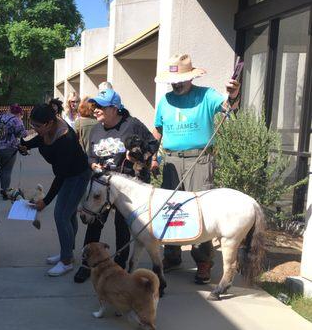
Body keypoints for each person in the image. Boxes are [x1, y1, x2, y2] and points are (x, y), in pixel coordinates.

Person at [152, 53, 241, 284]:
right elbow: (158, 130)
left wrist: (233, 93)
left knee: (201, 210)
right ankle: (172, 255)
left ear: (191, 77)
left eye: (180, 79)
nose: (176, 84)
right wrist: (153, 155)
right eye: (173, 81)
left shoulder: (206, 95)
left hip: (199, 160)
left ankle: (203, 261)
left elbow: (228, 106)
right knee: (170, 209)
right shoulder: (165, 100)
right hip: (171, 160)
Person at [73, 89, 159, 283]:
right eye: (95, 106)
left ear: (114, 108)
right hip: (101, 187)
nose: (96, 110)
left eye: (101, 106)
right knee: (94, 225)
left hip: (124, 190)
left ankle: (119, 268)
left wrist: (138, 155)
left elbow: (153, 144)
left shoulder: (132, 125)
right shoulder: (96, 129)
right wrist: (92, 164)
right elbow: (90, 155)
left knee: (122, 227)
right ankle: (88, 265)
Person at [19, 104, 91, 277]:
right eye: (32, 124)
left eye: (37, 126)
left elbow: (61, 176)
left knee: (61, 215)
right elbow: (40, 140)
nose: (34, 129)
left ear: (50, 123)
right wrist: (26, 146)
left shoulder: (65, 139)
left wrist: (46, 201)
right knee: (69, 215)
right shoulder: (48, 130)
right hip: (67, 174)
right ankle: (68, 252)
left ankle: (66, 262)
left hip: (77, 176)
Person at [0, 103, 27, 199]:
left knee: (2, 168)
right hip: (9, 149)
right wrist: (32, 131)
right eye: (21, 115)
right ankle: (6, 191)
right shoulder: (16, 120)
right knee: (7, 170)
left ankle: (3, 189)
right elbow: (23, 134)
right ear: (19, 113)